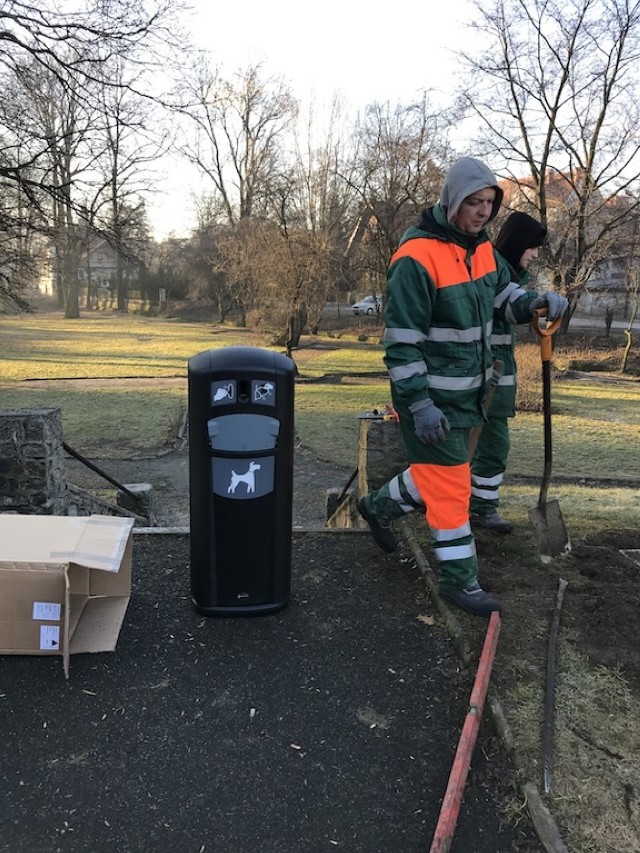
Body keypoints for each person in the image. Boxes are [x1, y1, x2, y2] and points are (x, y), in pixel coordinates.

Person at [357, 157, 567, 618]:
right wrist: (419, 404)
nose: (482, 212)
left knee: (435, 476)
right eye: (474, 202)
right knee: (451, 486)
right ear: (452, 200)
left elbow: (503, 301)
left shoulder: (482, 251)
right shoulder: (416, 257)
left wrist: (537, 303)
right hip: (430, 399)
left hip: (469, 393)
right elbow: (401, 343)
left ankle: (375, 507)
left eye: (489, 204)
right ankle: (460, 579)